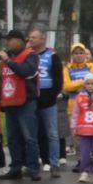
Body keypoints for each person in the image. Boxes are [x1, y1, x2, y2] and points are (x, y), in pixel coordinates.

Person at [0, 30, 41, 180]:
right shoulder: (7, 57)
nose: (7, 43)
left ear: (19, 41)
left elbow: (26, 71)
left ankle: (33, 167)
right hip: (10, 102)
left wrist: (8, 61)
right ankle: (16, 167)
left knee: (29, 137)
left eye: (10, 40)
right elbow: (2, 80)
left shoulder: (31, 55)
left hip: (26, 102)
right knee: (13, 137)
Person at [27, 28, 62, 173]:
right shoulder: (27, 55)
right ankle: (38, 161)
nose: (31, 40)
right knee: (33, 132)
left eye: (34, 37)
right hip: (31, 98)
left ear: (42, 39)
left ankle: (54, 163)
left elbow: (58, 79)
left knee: (52, 133)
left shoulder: (51, 55)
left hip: (48, 98)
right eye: (30, 37)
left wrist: (52, 95)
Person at [62, 44, 93, 174]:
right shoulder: (67, 68)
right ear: (72, 55)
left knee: (91, 133)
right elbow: (67, 86)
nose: (78, 55)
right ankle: (80, 160)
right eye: (75, 53)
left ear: (85, 54)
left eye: (81, 52)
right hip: (73, 106)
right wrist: (84, 82)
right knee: (76, 136)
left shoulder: (92, 67)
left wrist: (78, 84)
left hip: (91, 105)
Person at [69, 75, 93, 182]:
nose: (90, 86)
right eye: (88, 83)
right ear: (84, 85)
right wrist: (74, 127)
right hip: (84, 130)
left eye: (92, 84)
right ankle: (84, 172)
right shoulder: (80, 97)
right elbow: (75, 113)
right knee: (84, 152)